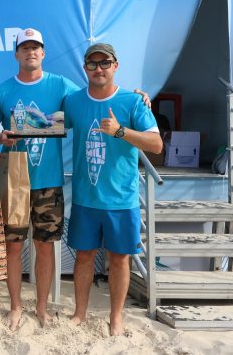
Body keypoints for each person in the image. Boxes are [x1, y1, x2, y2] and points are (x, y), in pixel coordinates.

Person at [0, 28, 151, 330]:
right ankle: (14, 307)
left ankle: (42, 308)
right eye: (24, 48)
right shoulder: (2, 91)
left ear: (43, 52)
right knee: (12, 248)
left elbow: (97, 95)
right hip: (14, 180)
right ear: (16, 54)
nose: (30, 52)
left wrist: (140, 98)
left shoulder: (63, 87)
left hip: (49, 182)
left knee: (45, 247)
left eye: (35, 47)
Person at [64, 43, 162, 336]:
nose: (98, 69)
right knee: (83, 256)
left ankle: (116, 318)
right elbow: (44, 119)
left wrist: (120, 131)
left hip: (122, 199)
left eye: (104, 63)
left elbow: (156, 145)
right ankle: (79, 313)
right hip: (85, 197)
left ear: (115, 65)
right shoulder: (72, 101)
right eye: (92, 64)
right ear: (85, 69)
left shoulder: (133, 102)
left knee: (119, 259)